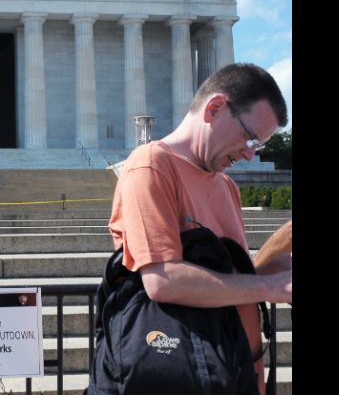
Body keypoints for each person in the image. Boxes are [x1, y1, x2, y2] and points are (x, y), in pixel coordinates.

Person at [90, 63, 292, 395]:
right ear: (215, 108)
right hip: (182, 371)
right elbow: (162, 280)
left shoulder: (227, 187)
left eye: (260, 145)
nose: (250, 154)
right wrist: (272, 287)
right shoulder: (151, 166)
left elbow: (225, 281)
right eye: (250, 137)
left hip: (236, 369)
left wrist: (272, 271)